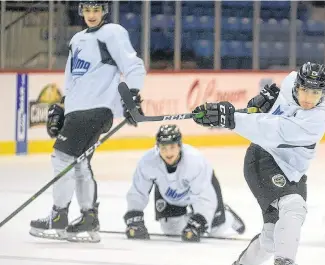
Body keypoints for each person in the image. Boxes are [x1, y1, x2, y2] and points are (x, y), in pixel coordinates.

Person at [191, 62, 325, 265]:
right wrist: (265, 100)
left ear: (323, 94)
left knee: (274, 235)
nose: (309, 97)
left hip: (290, 169)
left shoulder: (316, 121)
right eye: (305, 90)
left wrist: (229, 118)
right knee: (294, 207)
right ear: (297, 86)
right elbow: (271, 102)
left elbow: (271, 129)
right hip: (263, 159)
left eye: (316, 93)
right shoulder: (289, 83)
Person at [29, 0, 146, 243]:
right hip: (78, 110)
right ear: (81, 11)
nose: (91, 15)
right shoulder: (77, 39)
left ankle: (59, 215)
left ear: (104, 11)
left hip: (96, 109)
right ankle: (87, 218)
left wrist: (132, 96)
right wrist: (62, 107)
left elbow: (133, 65)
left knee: (62, 158)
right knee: (79, 164)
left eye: (96, 10)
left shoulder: (112, 33)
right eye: (87, 10)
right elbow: (73, 79)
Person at [123, 124, 246, 242]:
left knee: (215, 230)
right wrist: (134, 215)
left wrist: (200, 219)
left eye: (172, 147)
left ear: (179, 145)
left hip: (201, 193)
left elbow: (204, 195)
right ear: (157, 147)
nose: (168, 153)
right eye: (163, 148)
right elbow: (138, 190)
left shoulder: (195, 161)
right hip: (170, 195)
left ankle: (227, 215)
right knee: (172, 231)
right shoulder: (148, 161)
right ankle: (191, 220)